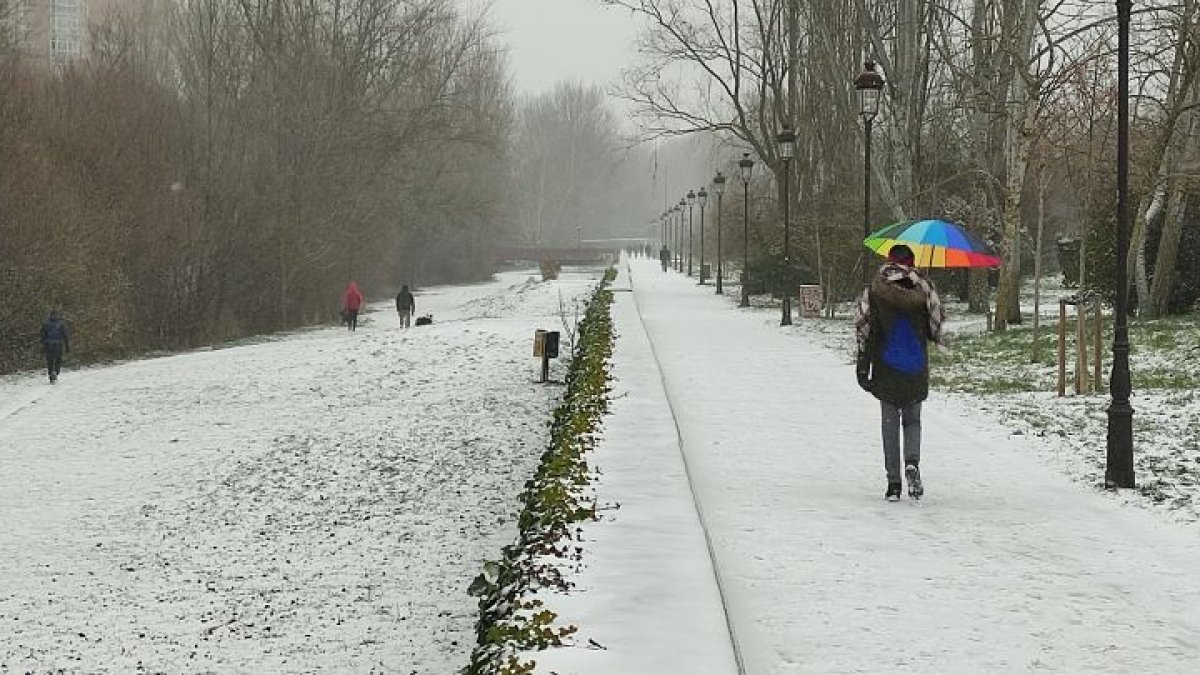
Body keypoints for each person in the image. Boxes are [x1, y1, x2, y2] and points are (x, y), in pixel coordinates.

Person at [854, 244, 945, 501]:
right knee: (913, 420)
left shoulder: (875, 288)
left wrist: (863, 360)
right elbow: (936, 324)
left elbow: (863, 324)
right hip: (915, 363)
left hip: (886, 362)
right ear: (911, 261)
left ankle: (893, 484)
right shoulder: (924, 287)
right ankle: (912, 463)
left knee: (890, 424)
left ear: (889, 261)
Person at [40, 309, 70, 384]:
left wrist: (42, 346)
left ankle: (51, 374)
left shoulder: (46, 324)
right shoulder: (60, 324)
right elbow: (65, 335)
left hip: (48, 344)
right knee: (58, 360)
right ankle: (56, 372)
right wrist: (67, 346)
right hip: (58, 344)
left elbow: (42, 335)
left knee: (50, 360)